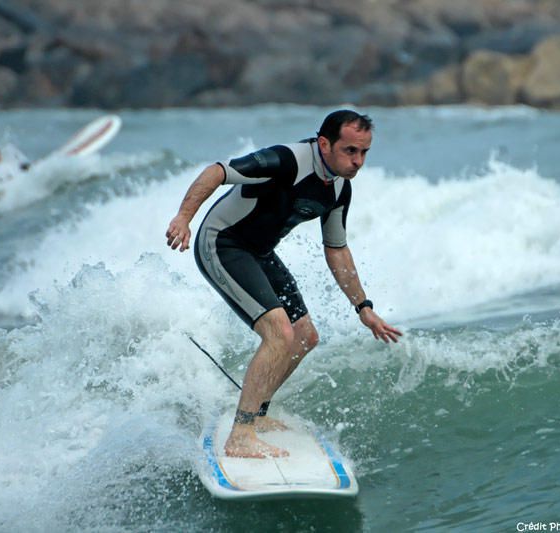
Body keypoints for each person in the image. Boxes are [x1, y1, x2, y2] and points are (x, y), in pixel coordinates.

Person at [165, 109, 403, 458]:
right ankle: (240, 436)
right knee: (279, 333)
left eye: (364, 152)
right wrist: (184, 218)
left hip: (258, 252)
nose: (358, 161)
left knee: (306, 336)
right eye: (350, 151)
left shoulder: (339, 188)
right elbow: (217, 171)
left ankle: (256, 414)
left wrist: (363, 308)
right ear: (324, 144)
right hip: (222, 242)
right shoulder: (286, 160)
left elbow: (336, 250)